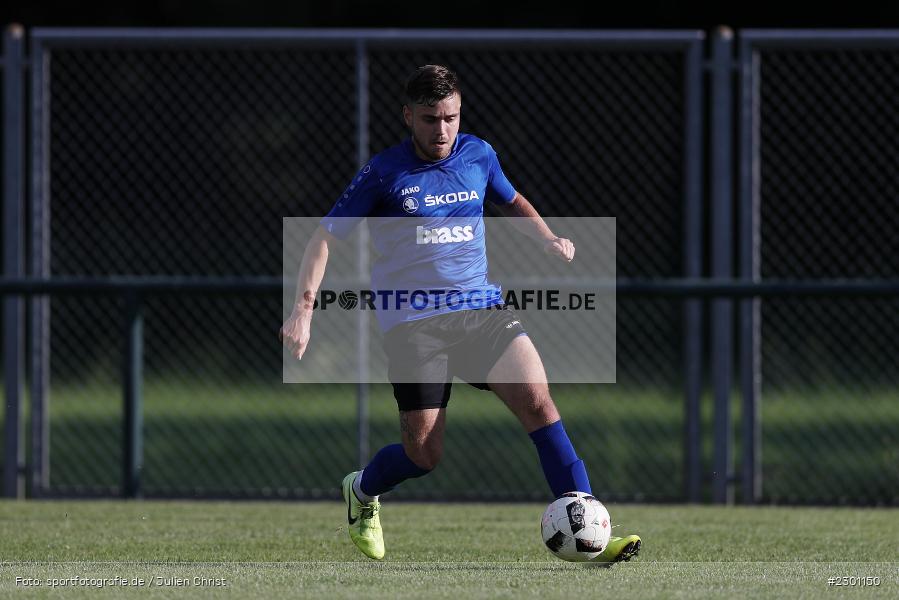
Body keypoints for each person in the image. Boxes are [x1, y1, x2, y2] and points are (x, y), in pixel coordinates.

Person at [280, 64, 640, 563]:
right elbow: (324, 237)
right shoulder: (384, 172)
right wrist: (303, 310)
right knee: (424, 454)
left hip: (481, 311)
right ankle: (362, 490)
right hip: (414, 325)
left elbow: (511, 200)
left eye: (450, 117)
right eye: (430, 119)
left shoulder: (478, 154)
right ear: (408, 116)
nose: (442, 130)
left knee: (538, 401)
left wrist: (547, 237)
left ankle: (592, 535)